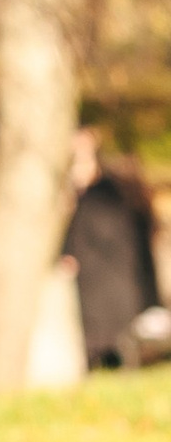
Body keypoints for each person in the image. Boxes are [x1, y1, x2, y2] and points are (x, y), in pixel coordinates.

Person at [63, 128, 164, 370]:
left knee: (116, 346)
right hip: (109, 286)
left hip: (110, 286)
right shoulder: (103, 195)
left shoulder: (107, 195)